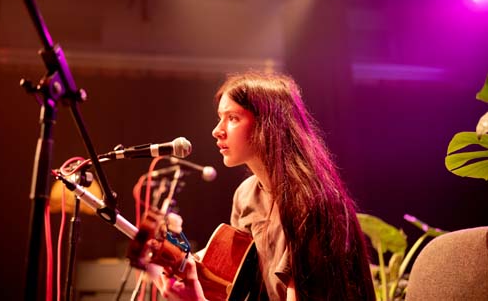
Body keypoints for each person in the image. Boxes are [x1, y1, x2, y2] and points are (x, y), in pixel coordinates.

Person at [158, 70, 376, 301]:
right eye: (220, 117)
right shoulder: (246, 195)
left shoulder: (309, 203)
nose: (217, 130)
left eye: (232, 118)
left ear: (267, 124)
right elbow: (234, 285)